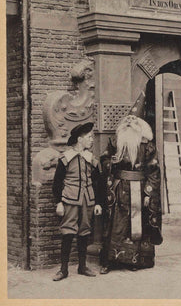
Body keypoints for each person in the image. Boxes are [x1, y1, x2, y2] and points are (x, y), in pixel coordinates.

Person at [99, 114, 162, 274]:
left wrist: (148, 192)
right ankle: (110, 261)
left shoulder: (147, 146)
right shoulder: (115, 142)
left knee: (137, 224)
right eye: (126, 122)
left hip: (139, 190)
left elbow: (154, 171)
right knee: (115, 224)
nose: (129, 125)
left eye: (133, 123)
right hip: (118, 189)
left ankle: (136, 260)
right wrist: (110, 163)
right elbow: (104, 160)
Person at [52, 122, 103, 281]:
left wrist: (98, 203)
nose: (91, 140)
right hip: (70, 200)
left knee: (85, 232)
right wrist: (59, 202)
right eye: (89, 137)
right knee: (68, 233)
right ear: (80, 139)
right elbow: (57, 182)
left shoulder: (91, 159)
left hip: (88, 200)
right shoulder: (65, 158)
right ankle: (63, 270)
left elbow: (98, 182)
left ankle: (82, 267)